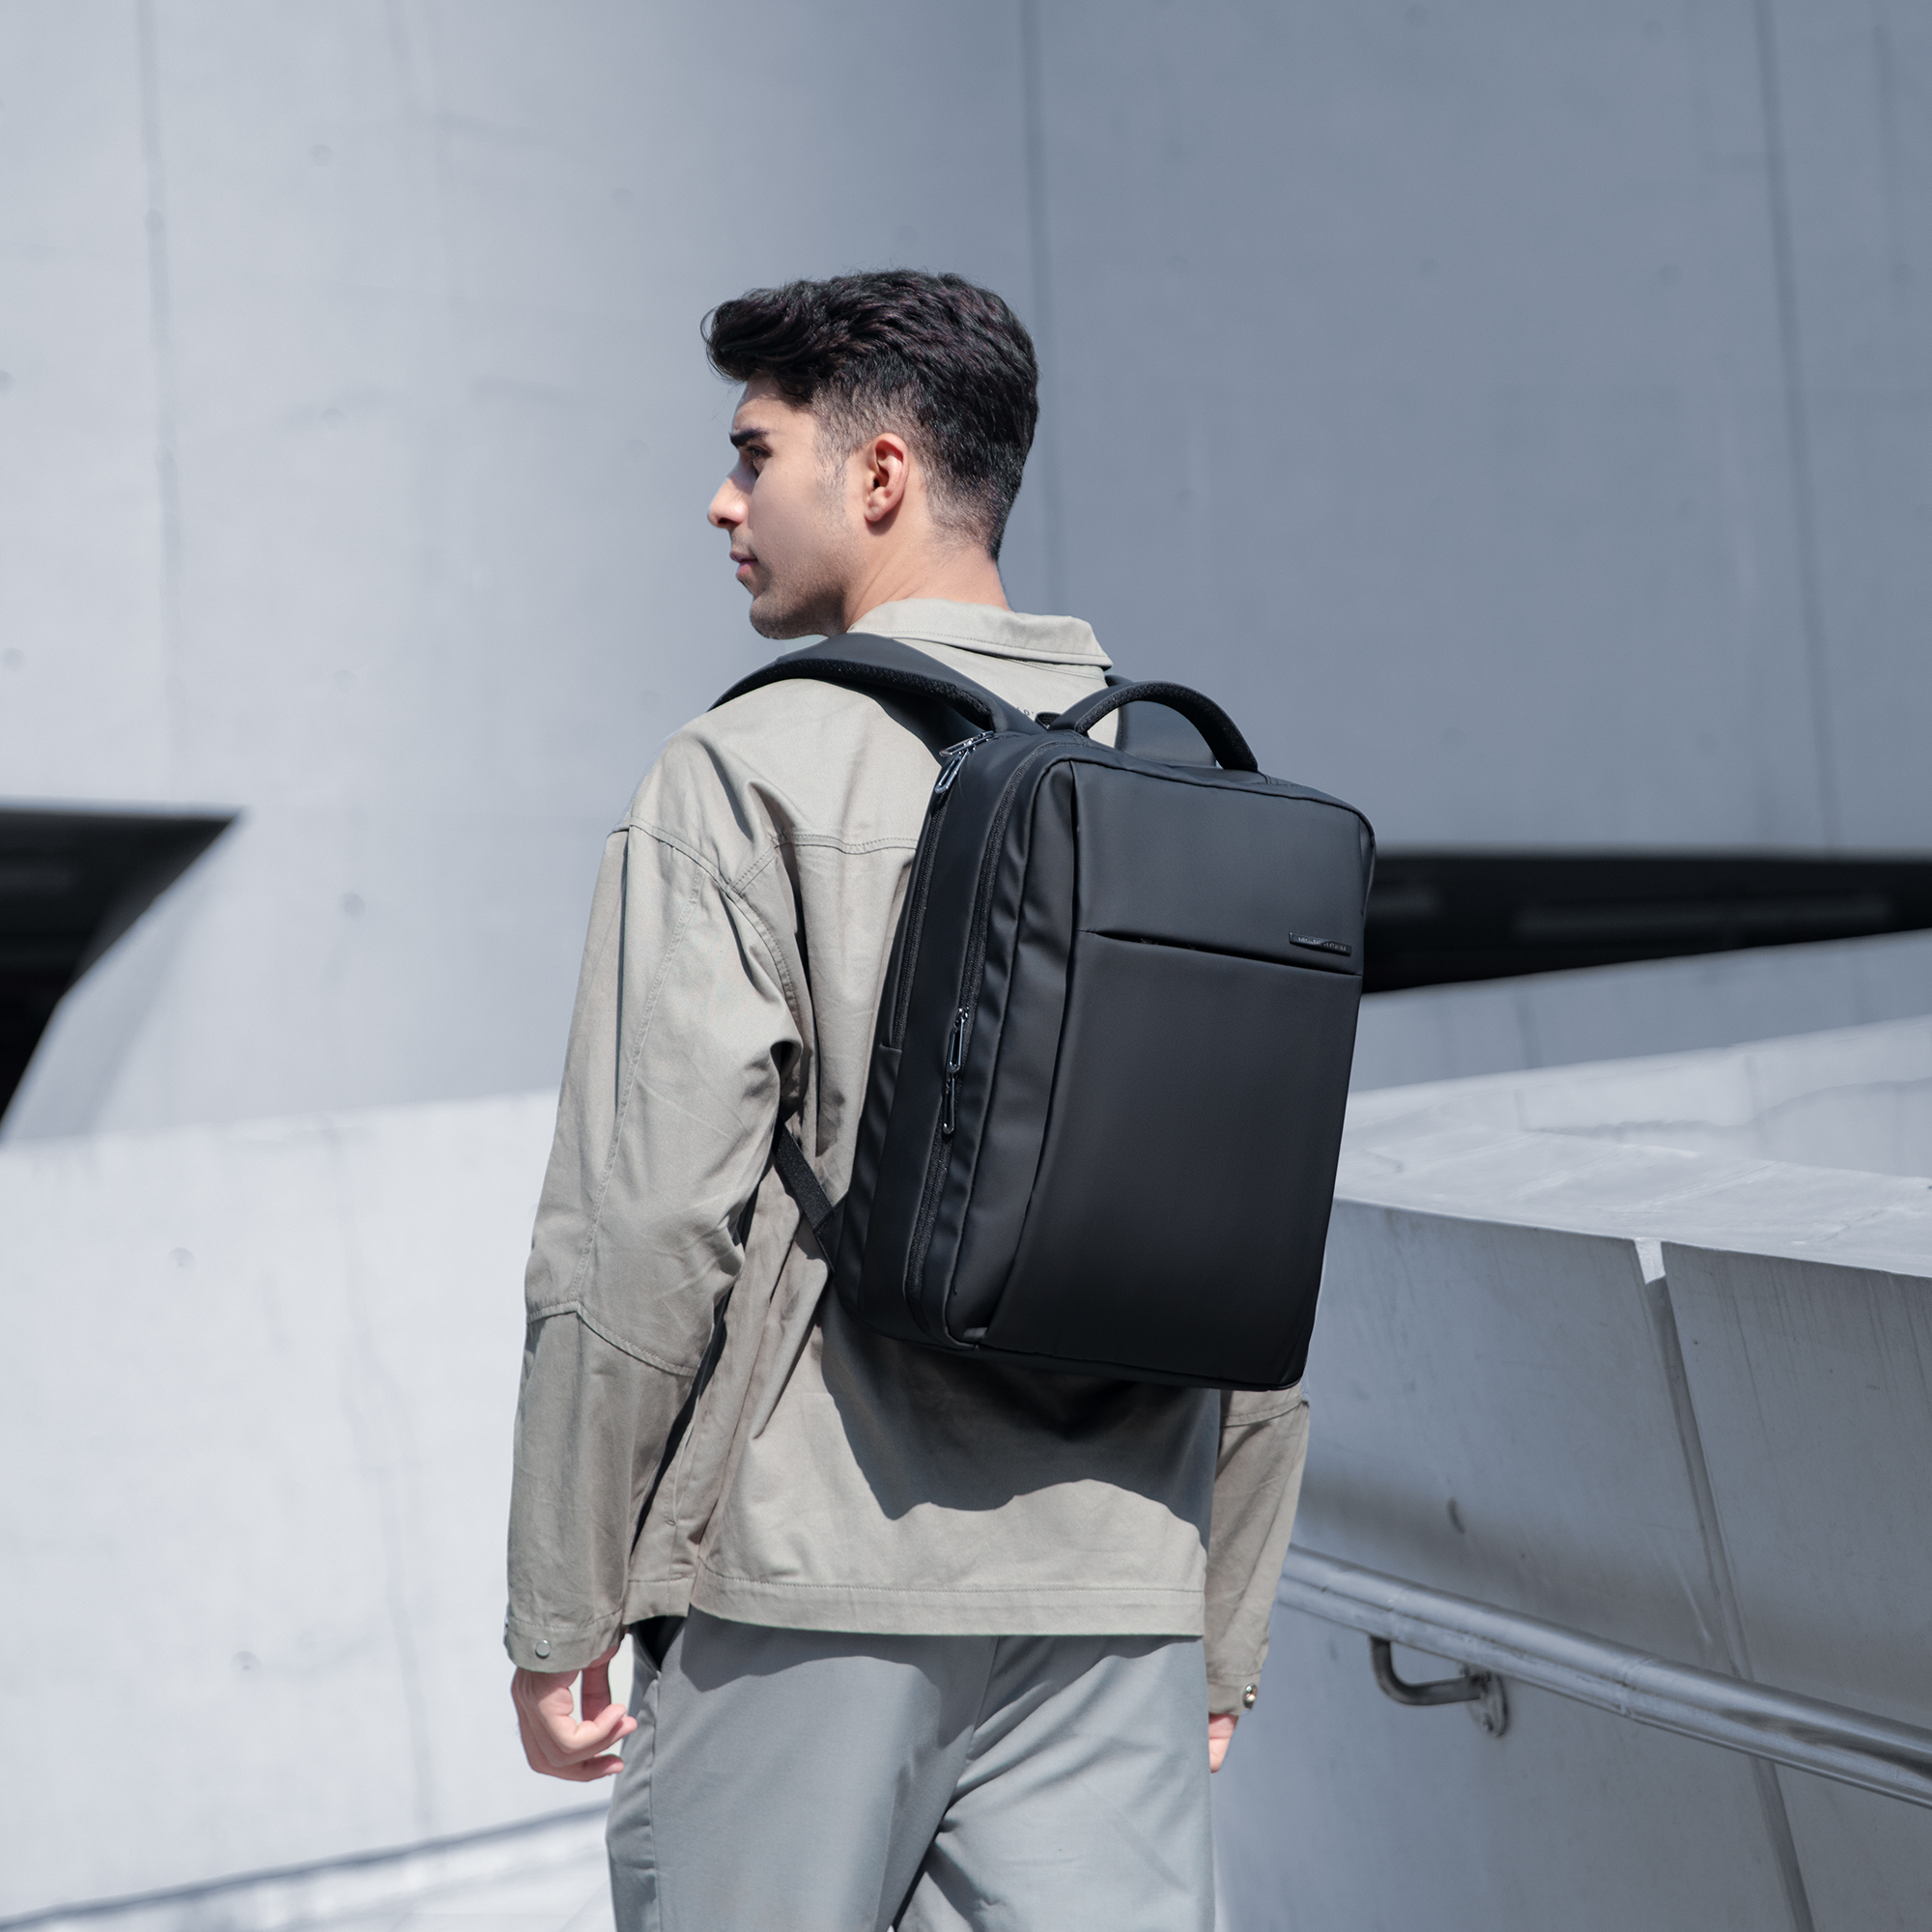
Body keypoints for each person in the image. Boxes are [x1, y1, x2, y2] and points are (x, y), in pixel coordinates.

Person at [504, 270, 1310, 1931]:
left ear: (879, 475)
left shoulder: (744, 774)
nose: (721, 501)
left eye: (754, 453)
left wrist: (561, 1604)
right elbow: (1252, 1243)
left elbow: (642, 1226)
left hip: (813, 1581)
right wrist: (1219, 1617)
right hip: (1117, 1590)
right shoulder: (1177, 790)